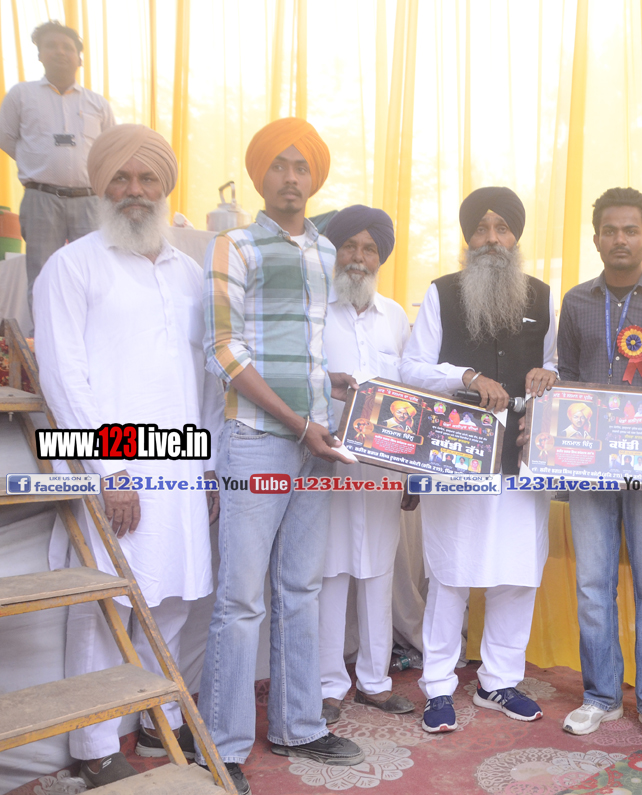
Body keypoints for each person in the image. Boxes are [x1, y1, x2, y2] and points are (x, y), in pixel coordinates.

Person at [32, 125, 220, 788]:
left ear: (166, 188)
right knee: (103, 604)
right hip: (113, 468)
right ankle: (93, 744)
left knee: (173, 595)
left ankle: (153, 716)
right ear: (100, 186)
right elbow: (63, 377)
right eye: (121, 178)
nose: (135, 190)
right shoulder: (72, 266)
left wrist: (207, 468)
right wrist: (110, 471)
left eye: (147, 178)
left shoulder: (189, 273)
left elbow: (206, 378)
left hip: (181, 465)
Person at [200, 118, 363, 795]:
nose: (291, 177)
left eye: (303, 167)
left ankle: (299, 724)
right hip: (258, 440)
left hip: (314, 442)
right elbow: (224, 351)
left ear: (314, 177)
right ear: (260, 174)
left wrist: (330, 384)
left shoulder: (324, 251)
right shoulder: (233, 245)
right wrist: (300, 422)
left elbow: (306, 347)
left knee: (300, 588)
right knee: (240, 599)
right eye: (279, 165)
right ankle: (223, 746)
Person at [399, 186, 557, 733]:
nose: (492, 238)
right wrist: (465, 377)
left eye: (501, 228)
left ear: (516, 236)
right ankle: (438, 685)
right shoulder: (442, 292)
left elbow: (558, 364)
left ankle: (498, 682)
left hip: (522, 458)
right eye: (481, 229)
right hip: (458, 457)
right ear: (468, 238)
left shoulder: (542, 296)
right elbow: (412, 367)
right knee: (451, 574)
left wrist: (549, 375)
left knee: (517, 574)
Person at [555, 187, 642, 743]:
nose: (620, 239)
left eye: (630, 230)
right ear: (596, 239)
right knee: (593, 583)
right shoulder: (576, 303)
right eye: (610, 230)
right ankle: (601, 697)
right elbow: (568, 379)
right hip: (590, 467)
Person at [317, 205, 424, 724]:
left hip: (382, 471)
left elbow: (412, 397)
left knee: (379, 571)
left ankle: (375, 682)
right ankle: (328, 685)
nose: (359, 258)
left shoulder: (396, 316)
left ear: (381, 258)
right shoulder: (315, 310)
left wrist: (410, 473)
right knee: (330, 573)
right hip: (326, 467)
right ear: (333, 251)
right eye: (349, 246)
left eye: (370, 249)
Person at [0, 20, 115, 319]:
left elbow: (109, 149)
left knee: (94, 272)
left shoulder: (97, 104)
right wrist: (38, 163)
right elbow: (6, 138)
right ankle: (43, 341)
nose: (60, 52)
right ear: (40, 55)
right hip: (41, 199)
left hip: (90, 201)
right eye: (51, 46)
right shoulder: (21, 95)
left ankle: (92, 336)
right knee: (43, 275)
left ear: (79, 58)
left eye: (68, 47)